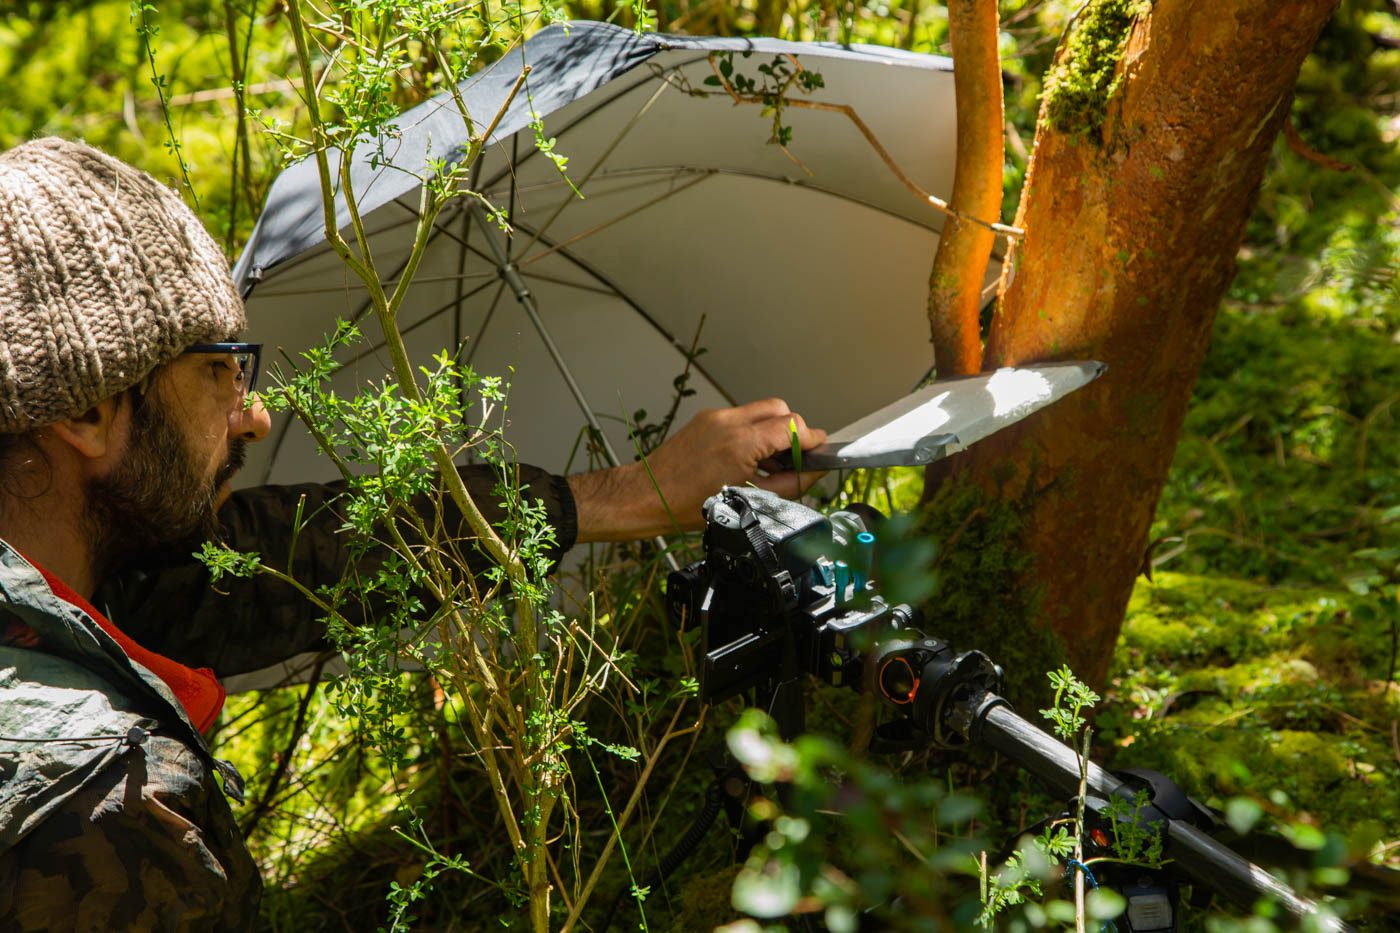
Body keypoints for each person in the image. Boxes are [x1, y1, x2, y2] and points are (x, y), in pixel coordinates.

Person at [0, 138, 825, 929]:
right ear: (86, 411)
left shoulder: (78, 585)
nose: (255, 414)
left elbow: (291, 554)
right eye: (218, 367)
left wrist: (635, 493)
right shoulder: (98, 803)